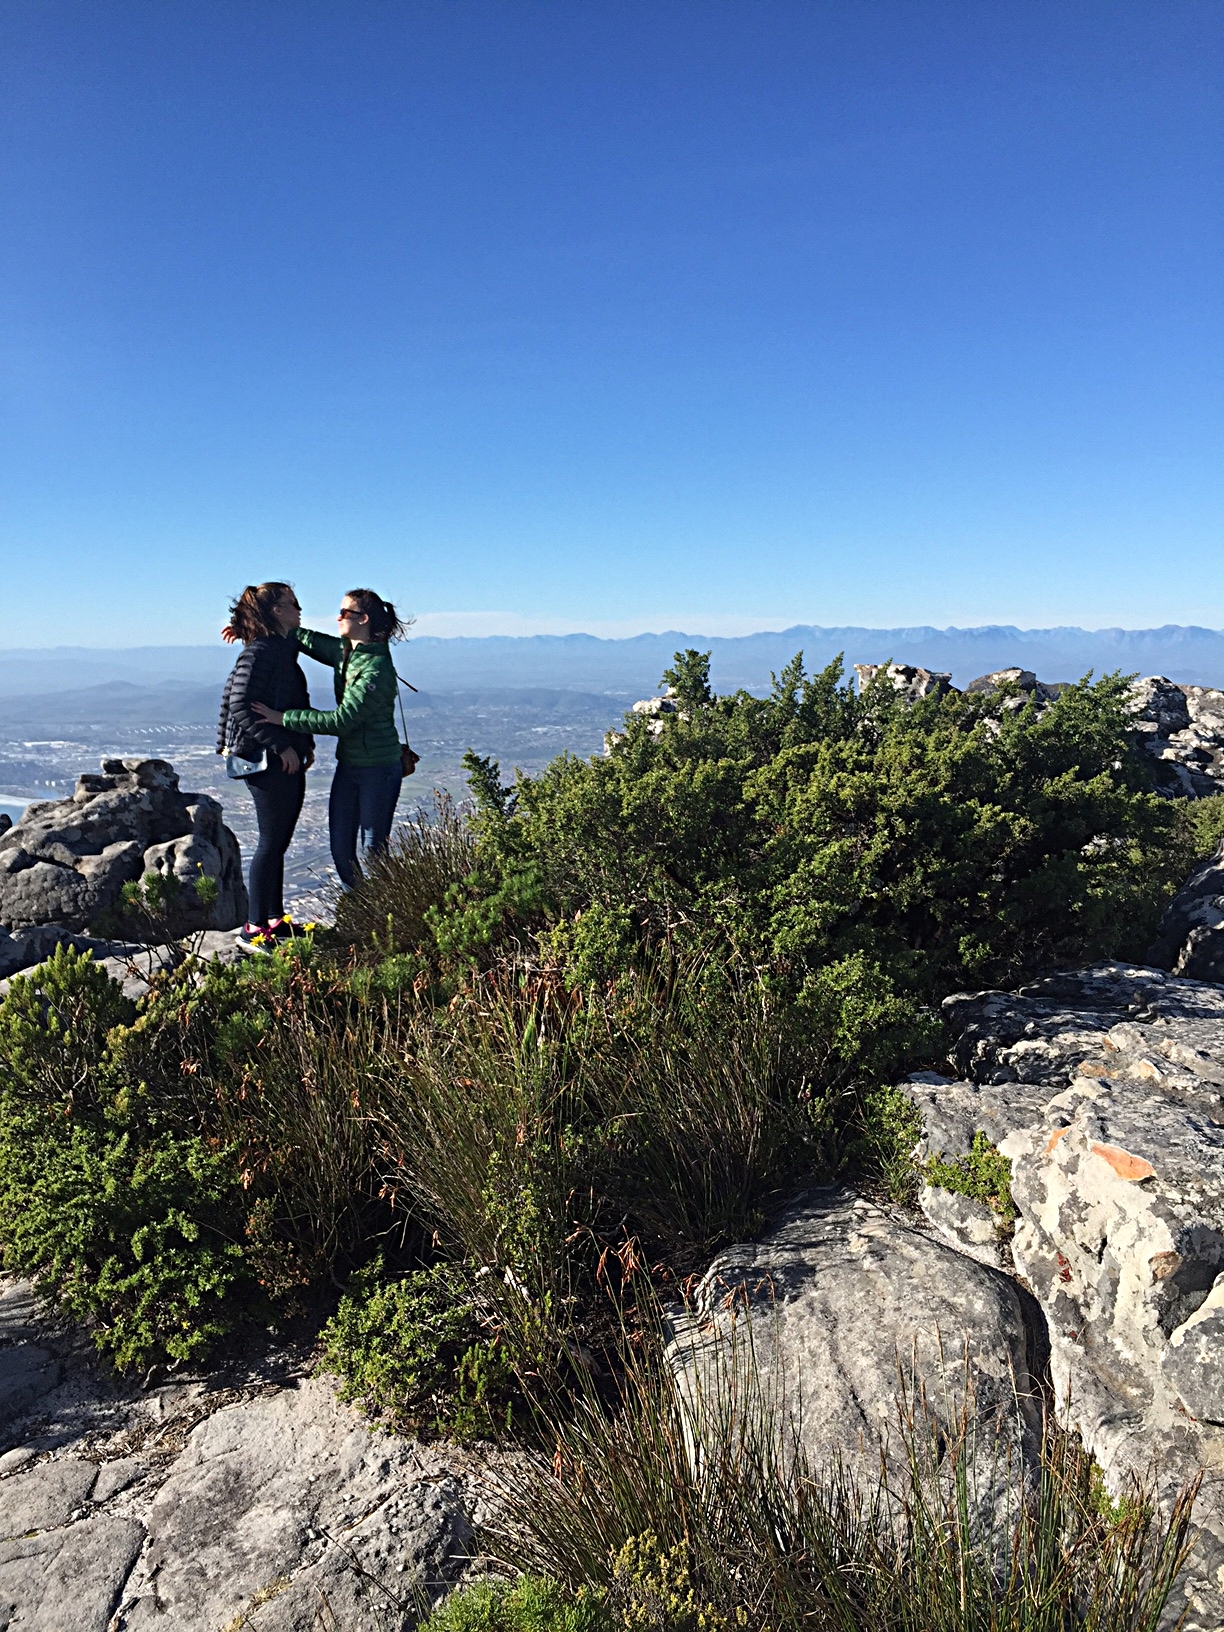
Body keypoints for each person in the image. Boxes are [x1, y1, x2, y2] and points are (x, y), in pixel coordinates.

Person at [253, 588, 407, 888]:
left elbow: (342, 721)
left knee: (374, 851)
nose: (337, 617)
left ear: (363, 619)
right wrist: (251, 624)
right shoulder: (346, 651)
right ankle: (362, 912)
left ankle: (390, 918)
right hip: (350, 765)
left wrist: (283, 718)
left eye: (344, 613)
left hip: (379, 768)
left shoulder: (375, 670)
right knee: (341, 849)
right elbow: (303, 636)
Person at [218, 582, 315, 946]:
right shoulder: (259, 653)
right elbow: (242, 707)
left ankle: (273, 919)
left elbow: (295, 642)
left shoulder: (276, 647)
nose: (300, 609)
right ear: (276, 611)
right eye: (293, 603)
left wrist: (303, 744)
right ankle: (254, 927)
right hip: (265, 760)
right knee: (271, 842)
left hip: (280, 759)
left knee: (278, 842)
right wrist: (281, 748)